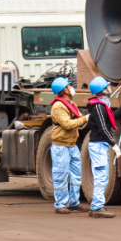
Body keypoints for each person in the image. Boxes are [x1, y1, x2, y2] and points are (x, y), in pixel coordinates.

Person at [48, 77, 90, 214]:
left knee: (76, 174)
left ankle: (74, 202)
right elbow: (67, 124)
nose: (72, 88)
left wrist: (86, 118)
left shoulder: (70, 103)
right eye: (69, 86)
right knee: (61, 174)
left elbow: (79, 119)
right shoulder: (58, 106)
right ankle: (60, 204)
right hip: (61, 146)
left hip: (72, 144)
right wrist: (85, 119)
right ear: (64, 90)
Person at [84, 76, 118, 218]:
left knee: (103, 177)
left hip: (100, 145)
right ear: (102, 90)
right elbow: (103, 128)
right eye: (107, 87)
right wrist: (114, 144)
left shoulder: (102, 106)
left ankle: (97, 206)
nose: (109, 88)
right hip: (98, 145)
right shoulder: (98, 107)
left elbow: (110, 118)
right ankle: (97, 208)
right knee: (100, 176)